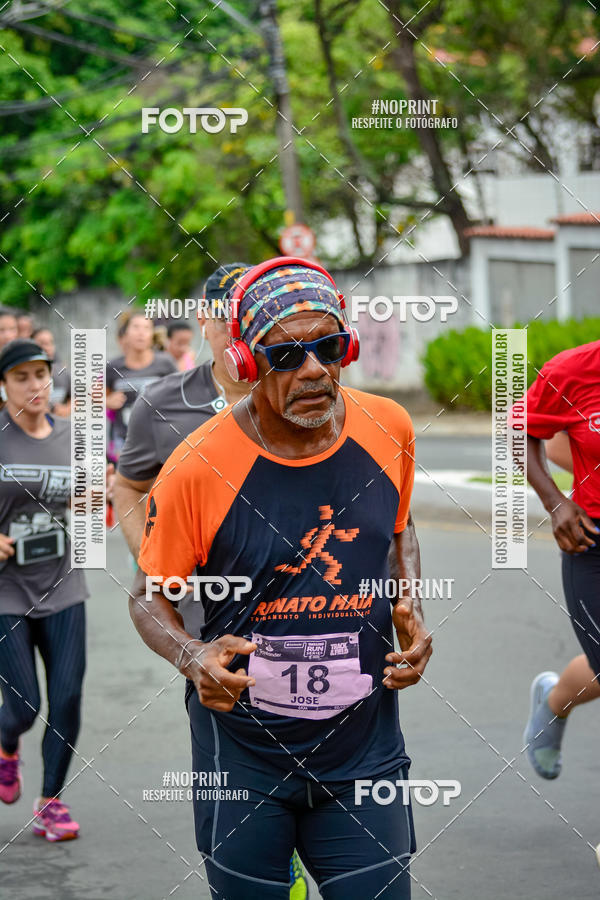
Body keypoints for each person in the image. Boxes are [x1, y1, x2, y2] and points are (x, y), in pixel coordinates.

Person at [130, 258, 432, 899]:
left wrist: (411, 606)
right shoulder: (197, 466)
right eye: (287, 355)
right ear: (245, 362)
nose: (315, 369)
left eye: (328, 348)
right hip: (243, 757)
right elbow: (147, 596)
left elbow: (399, 530)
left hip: (364, 752)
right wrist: (192, 655)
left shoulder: (390, 429)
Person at [113, 264, 310, 898]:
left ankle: (305, 840)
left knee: (317, 715)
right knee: (226, 723)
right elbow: (127, 485)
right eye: (229, 311)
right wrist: (160, 560)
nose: (239, 323)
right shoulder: (161, 405)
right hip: (210, 614)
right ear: (205, 320)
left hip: (304, 598)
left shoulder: (297, 386)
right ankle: (252, 861)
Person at [0, 339, 87, 840]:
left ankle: (50, 800)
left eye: (41, 374)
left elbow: (92, 506)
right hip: (5, 591)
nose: (35, 386)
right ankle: (7, 741)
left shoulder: (75, 436)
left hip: (63, 583)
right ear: (5, 385)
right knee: (24, 706)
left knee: (69, 697)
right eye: (21, 377)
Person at [523, 340, 600, 782]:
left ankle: (554, 701)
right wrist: (555, 502)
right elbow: (523, 431)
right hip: (594, 544)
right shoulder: (573, 371)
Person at [106, 312, 176, 463]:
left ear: (152, 334)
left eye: (146, 328)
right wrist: (107, 401)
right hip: (124, 443)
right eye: (136, 327)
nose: (141, 333)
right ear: (125, 333)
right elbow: (89, 399)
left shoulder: (165, 363)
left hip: (159, 439)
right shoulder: (112, 367)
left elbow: (180, 398)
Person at [31, 327, 71, 417]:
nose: (47, 347)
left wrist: (66, 409)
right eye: (42, 343)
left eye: (50, 343)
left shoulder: (62, 371)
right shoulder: (23, 375)